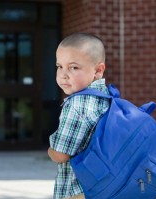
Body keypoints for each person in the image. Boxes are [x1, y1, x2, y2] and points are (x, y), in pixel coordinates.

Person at [48, 32, 110, 199]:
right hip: (104, 187)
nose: (63, 74)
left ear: (98, 70)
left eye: (73, 67)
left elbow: (61, 155)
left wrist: (50, 151)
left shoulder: (77, 104)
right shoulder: (107, 97)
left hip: (78, 191)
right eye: (59, 66)